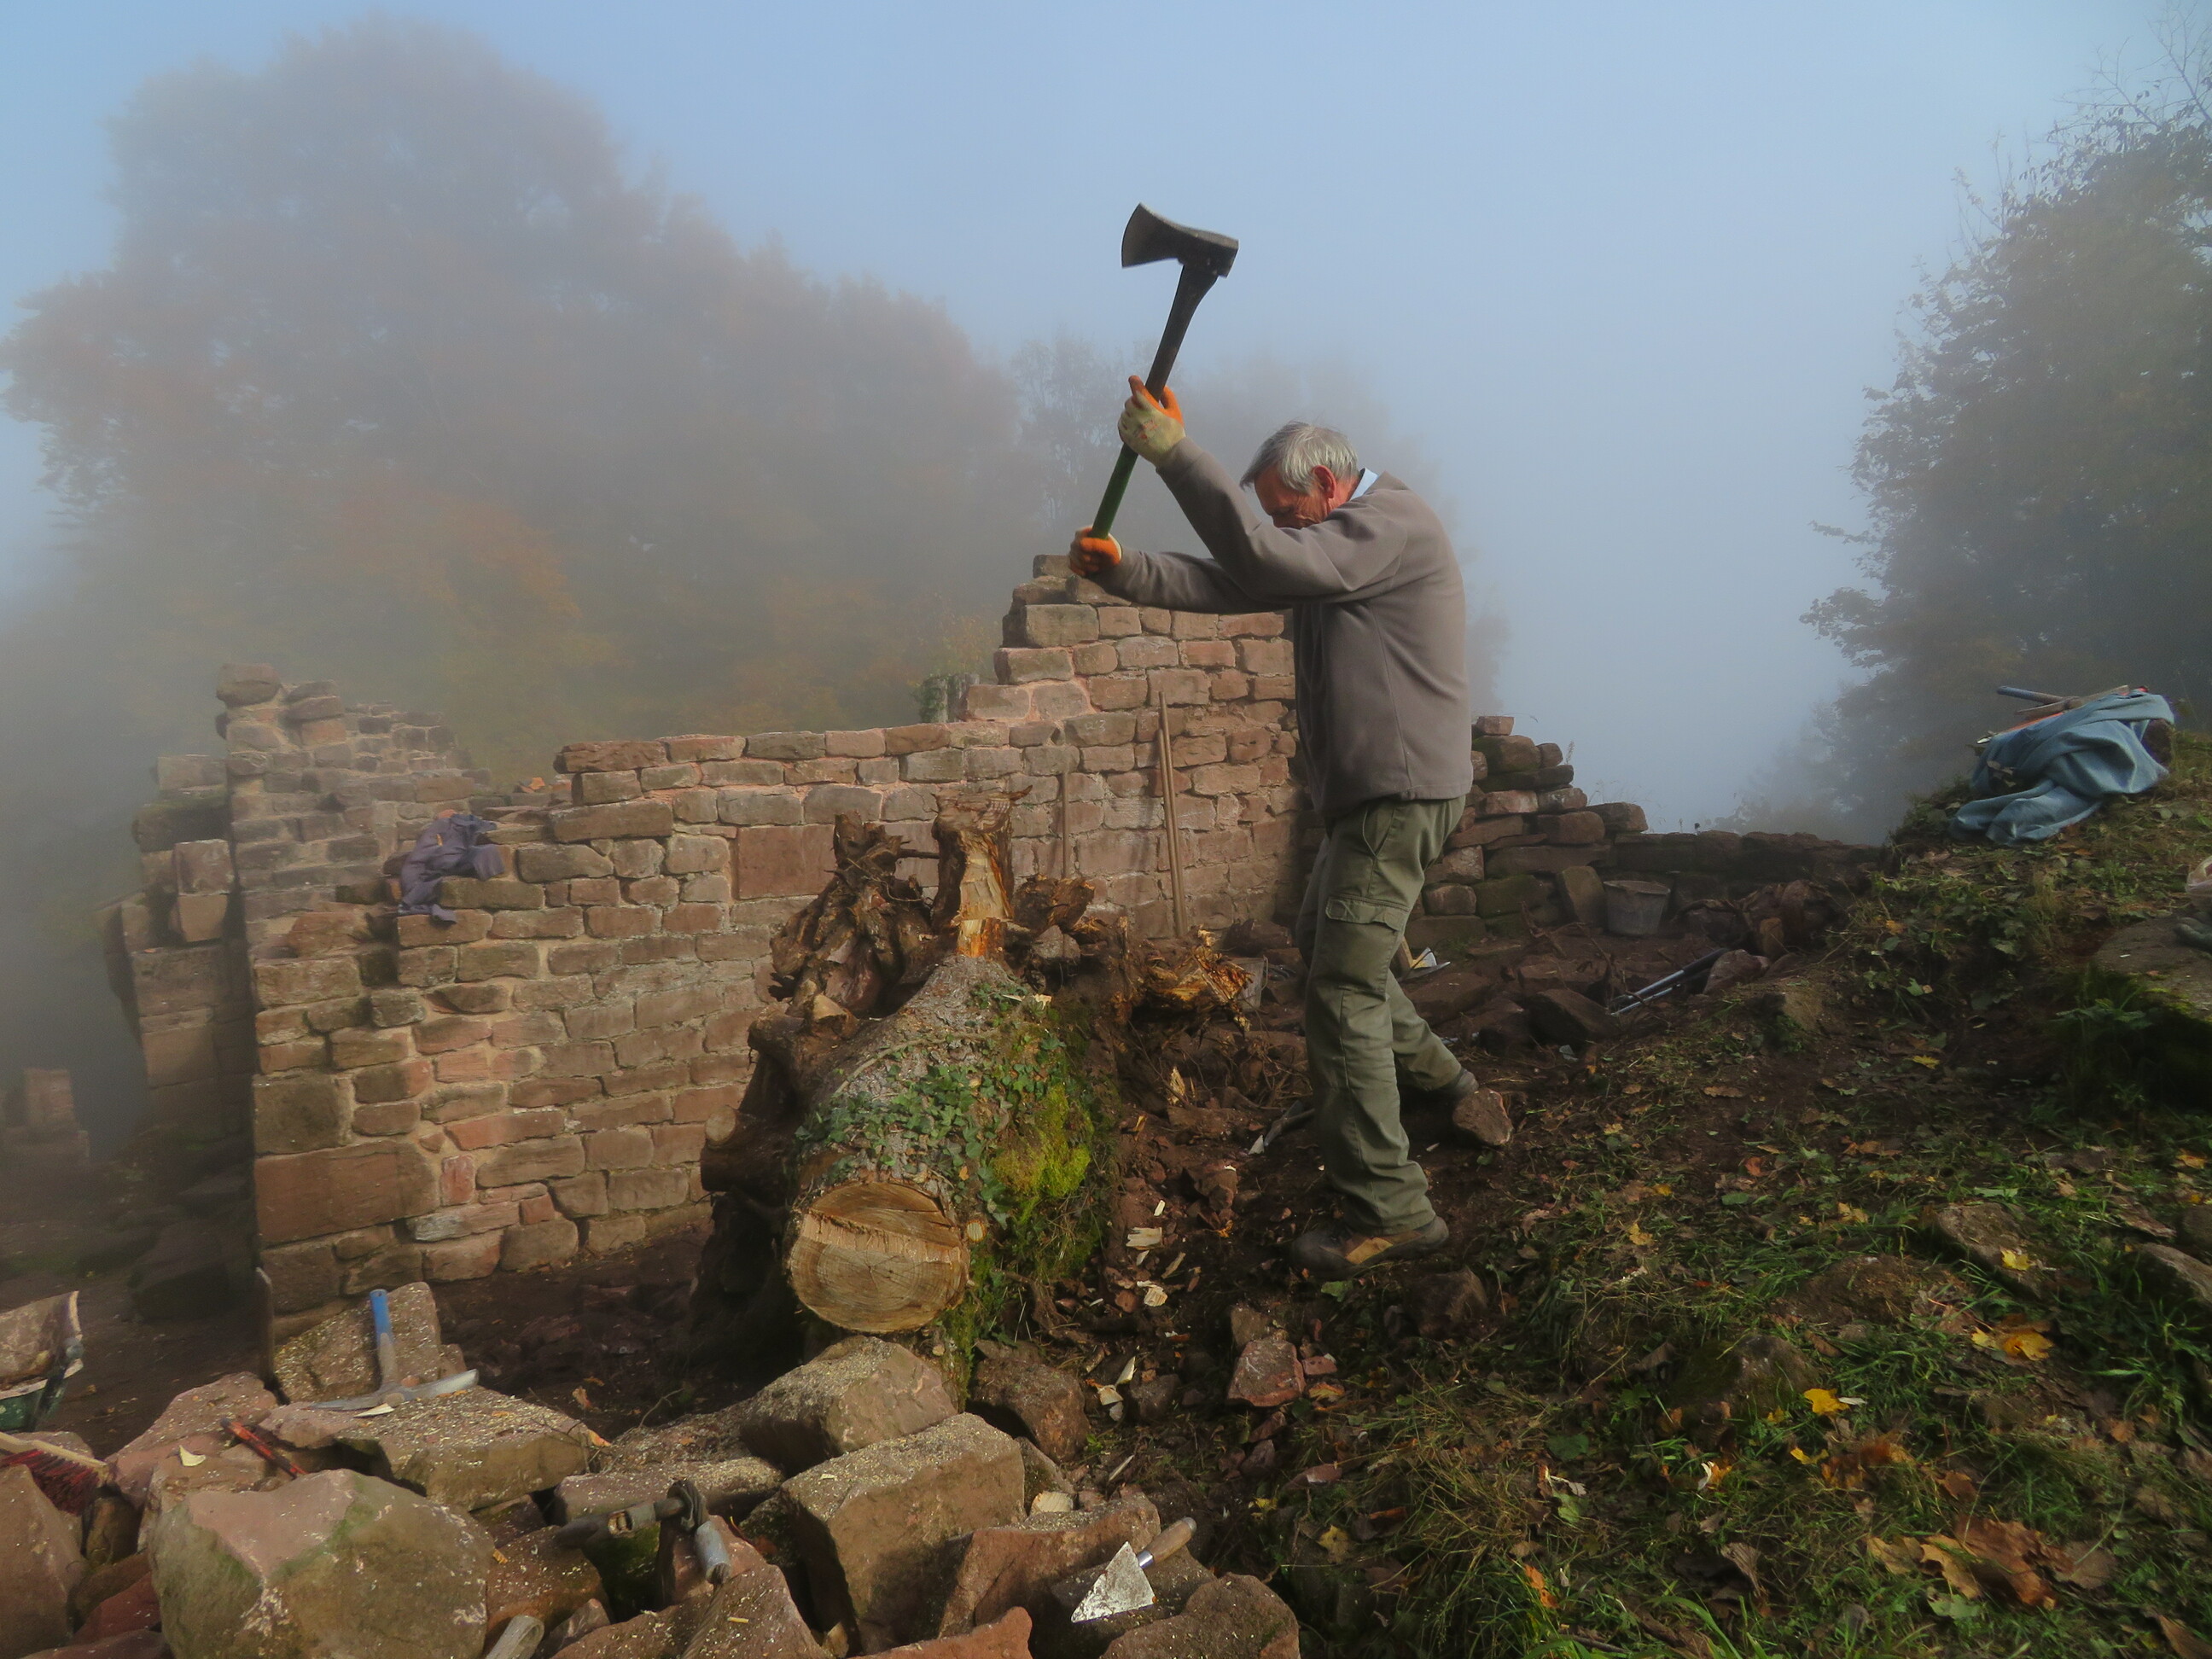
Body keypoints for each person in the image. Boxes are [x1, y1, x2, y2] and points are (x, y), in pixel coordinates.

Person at [1069, 378, 1510, 1280]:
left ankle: (1391, 1209)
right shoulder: (1335, 543)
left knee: (1342, 992)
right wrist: (1124, 570)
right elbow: (1235, 578)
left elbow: (1261, 558)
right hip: (1372, 799)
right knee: (1330, 951)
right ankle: (1444, 1089)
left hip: (1395, 799)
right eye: (1273, 514)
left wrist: (1174, 457)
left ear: (1330, 486)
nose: (1280, 526)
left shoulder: (1391, 526)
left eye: (1285, 510)